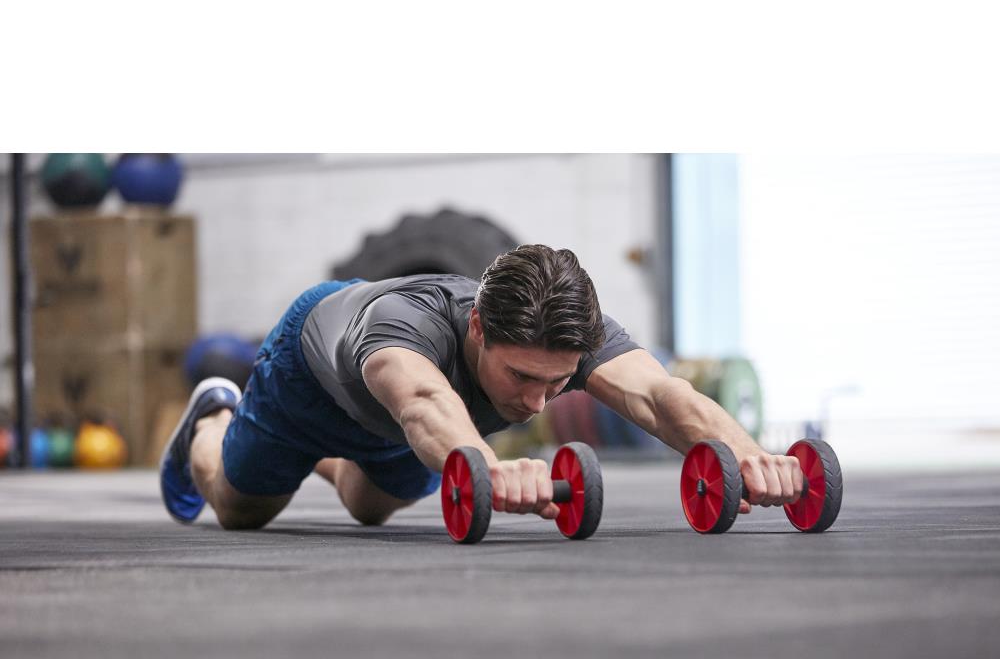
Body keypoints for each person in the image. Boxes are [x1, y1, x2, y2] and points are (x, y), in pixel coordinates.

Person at [160, 244, 803, 530]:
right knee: (240, 510)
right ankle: (216, 415)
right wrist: (492, 472)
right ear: (476, 328)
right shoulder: (404, 328)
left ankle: (322, 458)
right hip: (310, 380)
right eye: (520, 376)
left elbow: (662, 398)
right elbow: (424, 401)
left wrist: (751, 457)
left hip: (403, 426)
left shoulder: (571, 332)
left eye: (556, 383)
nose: (535, 403)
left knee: (367, 506)